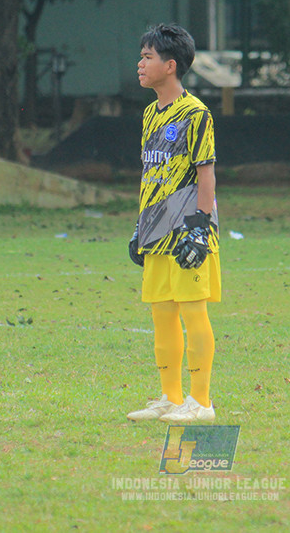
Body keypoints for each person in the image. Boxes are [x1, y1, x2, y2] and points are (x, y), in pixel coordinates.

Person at [126, 23, 220, 424]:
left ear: (170, 65)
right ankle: (170, 396)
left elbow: (206, 173)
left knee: (193, 313)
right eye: (141, 57)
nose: (140, 64)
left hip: (187, 231)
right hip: (155, 231)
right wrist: (140, 226)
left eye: (148, 57)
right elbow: (153, 173)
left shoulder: (196, 114)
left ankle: (201, 402)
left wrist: (200, 226)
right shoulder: (150, 113)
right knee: (161, 315)